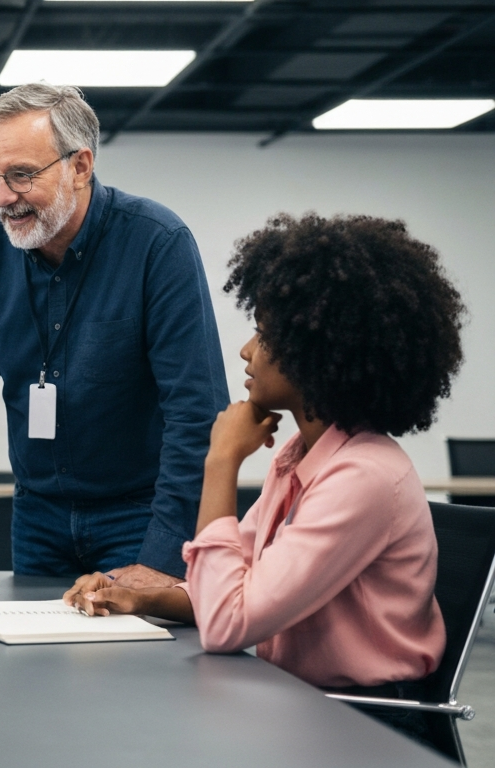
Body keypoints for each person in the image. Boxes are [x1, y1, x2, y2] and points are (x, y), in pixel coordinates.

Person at [64, 213, 463, 746]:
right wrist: (135, 597)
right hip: (301, 701)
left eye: (264, 334)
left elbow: (229, 623)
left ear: (317, 351)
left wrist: (221, 460)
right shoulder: (304, 455)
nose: (246, 351)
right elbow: (235, 586)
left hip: (366, 726)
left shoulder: (364, 478)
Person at [0, 83, 227, 591]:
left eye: (20, 175)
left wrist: (163, 556)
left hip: (140, 515)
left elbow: (196, 412)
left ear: (80, 166)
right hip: (36, 517)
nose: (1, 197)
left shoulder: (157, 244)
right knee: (36, 667)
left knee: (140, 666)